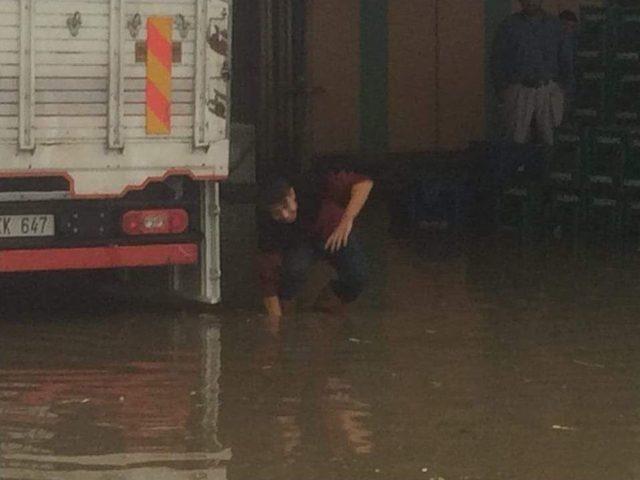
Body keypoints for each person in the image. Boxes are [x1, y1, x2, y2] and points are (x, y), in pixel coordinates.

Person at [256, 164, 374, 331]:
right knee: (293, 271)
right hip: (300, 244)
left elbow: (364, 183)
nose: (284, 215)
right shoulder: (268, 227)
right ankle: (290, 318)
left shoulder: (313, 184)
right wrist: (277, 326)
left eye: (285, 206)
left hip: (333, 232)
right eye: (276, 212)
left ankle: (324, 310)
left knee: (358, 276)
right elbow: (267, 278)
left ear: (292, 194)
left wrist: (347, 219)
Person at [492, 0, 574, 145]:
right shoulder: (508, 26)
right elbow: (497, 59)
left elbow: (566, 59)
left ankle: (546, 166)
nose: (530, 1)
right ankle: (518, 166)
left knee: (551, 141)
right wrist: (502, 89)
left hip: (548, 89)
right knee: (516, 140)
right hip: (519, 89)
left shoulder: (555, 25)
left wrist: (564, 90)